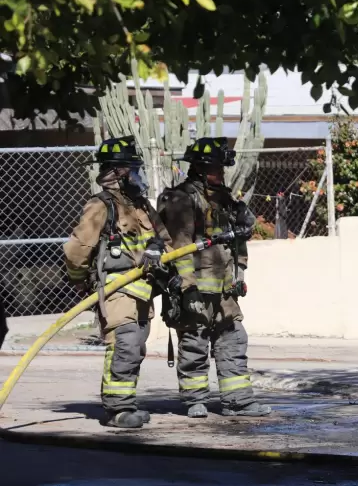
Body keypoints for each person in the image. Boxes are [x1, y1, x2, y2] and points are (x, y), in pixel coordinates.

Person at [158, 137, 271, 419]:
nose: (221, 175)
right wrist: (187, 286)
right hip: (194, 288)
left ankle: (238, 401)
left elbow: (238, 241)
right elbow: (177, 245)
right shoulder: (180, 199)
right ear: (198, 169)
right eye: (215, 169)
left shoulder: (225, 200)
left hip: (224, 288)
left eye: (222, 169)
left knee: (233, 338)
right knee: (194, 341)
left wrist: (240, 271)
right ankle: (195, 400)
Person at [64, 137, 172, 429]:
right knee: (124, 344)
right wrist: (80, 283)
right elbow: (76, 251)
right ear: (118, 172)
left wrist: (158, 250)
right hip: (116, 290)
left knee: (135, 346)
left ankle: (127, 403)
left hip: (142, 291)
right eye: (132, 169)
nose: (138, 176)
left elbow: (165, 239)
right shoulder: (101, 206)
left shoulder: (140, 207)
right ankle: (117, 410)